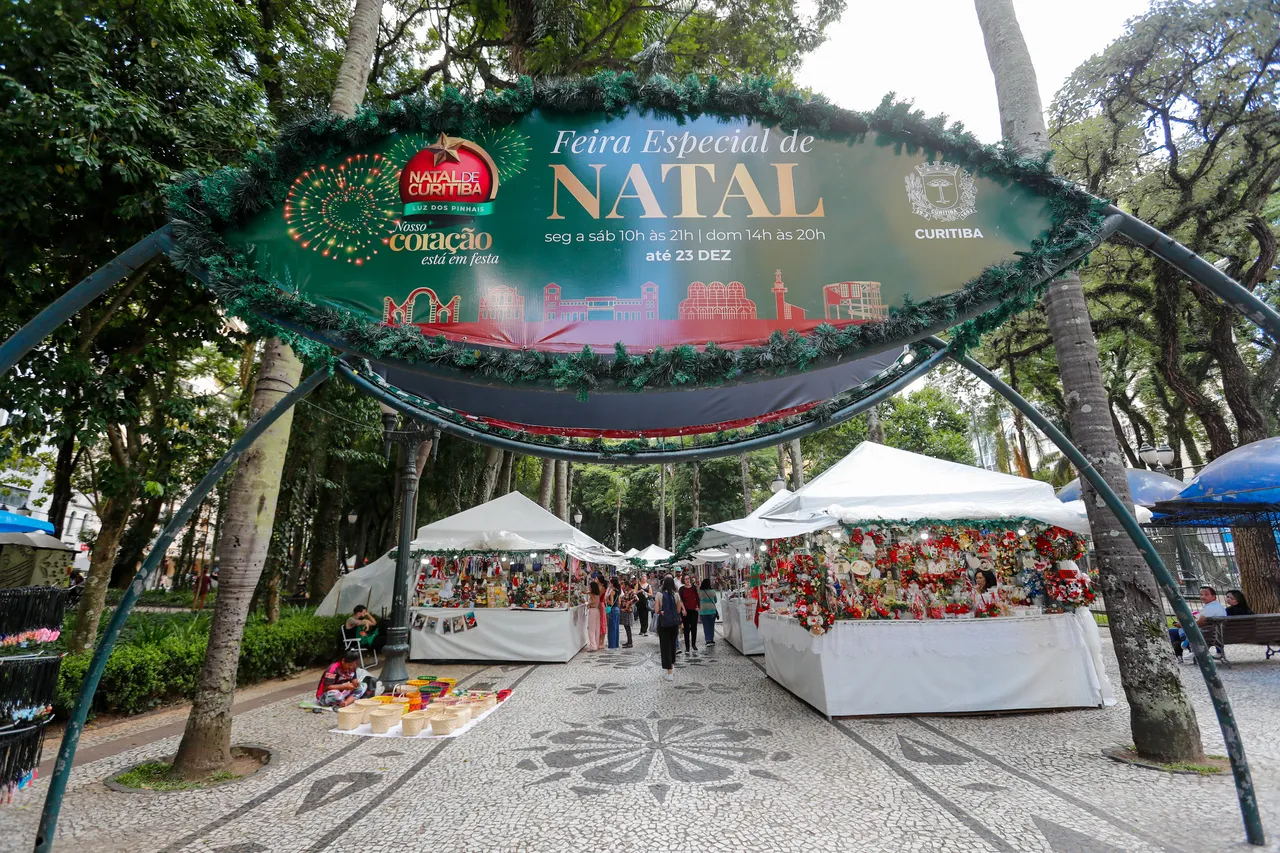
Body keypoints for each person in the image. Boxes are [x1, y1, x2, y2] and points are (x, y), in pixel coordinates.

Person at [1169, 585, 1228, 661]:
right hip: (1214, 633)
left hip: (1206, 634)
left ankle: (1188, 652)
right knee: (1177, 632)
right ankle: (1187, 648)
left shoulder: (1210, 608)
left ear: (1214, 597)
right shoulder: (1218, 606)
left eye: (1206, 595)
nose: (1203, 597)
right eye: (1201, 594)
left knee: (1172, 632)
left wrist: (1182, 625)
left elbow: (1198, 624)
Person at [654, 576, 685, 681]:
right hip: (674, 624)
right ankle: (672, 665)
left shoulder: (659, 594)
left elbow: (656, 610)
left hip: (663, 624)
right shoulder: (676, 594)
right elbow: (678, 610)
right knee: (672, 645)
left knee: (665, 647)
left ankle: (669, 672)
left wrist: (663, 612)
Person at [679, 573, 701, 654]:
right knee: (687, 629)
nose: (687, 580)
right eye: (685, 579)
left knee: (694, 628)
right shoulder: (681, 589)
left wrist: (698, 606)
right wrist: (683, 609)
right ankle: (687, 646)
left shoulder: (694, 588)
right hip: (685, 611)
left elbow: (697, 597)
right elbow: (680, 600)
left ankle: (693, 644)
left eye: (688, 578)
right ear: (683, 580)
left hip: (693, 610)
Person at [698, 578, 718, 646]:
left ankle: (708, 640)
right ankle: (712, 640)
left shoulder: (700, 591)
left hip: (703, 611)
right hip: (712, 610)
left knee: (706, 626)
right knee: (711, 626)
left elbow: (697, 599)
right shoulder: (713, 591)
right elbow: (715, 601)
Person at [619, 579, 637, 648]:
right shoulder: (626, 592)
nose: (623, 586)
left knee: (628, 626)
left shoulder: (632, 592)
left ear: (627, 586)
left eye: (624, 585)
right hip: (625, 610)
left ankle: (630, 642)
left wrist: (629, 602)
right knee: (626, 626)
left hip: (628, 611)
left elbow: (636, 599)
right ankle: (629, 641)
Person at [586, 579, 603, 651]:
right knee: (597, 629)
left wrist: (587, 604)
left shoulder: (592, 594)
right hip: (597, 611)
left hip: (592, 610)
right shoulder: (597, 594)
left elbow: (593, 601)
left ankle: (593, 646)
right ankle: (596, 643)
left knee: (591, 629)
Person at [606, 577, 622, 649]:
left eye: (610, 582)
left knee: (611, 628)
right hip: (617, 609)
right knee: (616, 628)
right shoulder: (618, 591)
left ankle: (612, 645)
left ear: (612, 584)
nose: (609, 584)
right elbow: (619, 602)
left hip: (612, 610)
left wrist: (606, 600)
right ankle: (616, 644)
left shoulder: (612, 591)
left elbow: (611, 602)